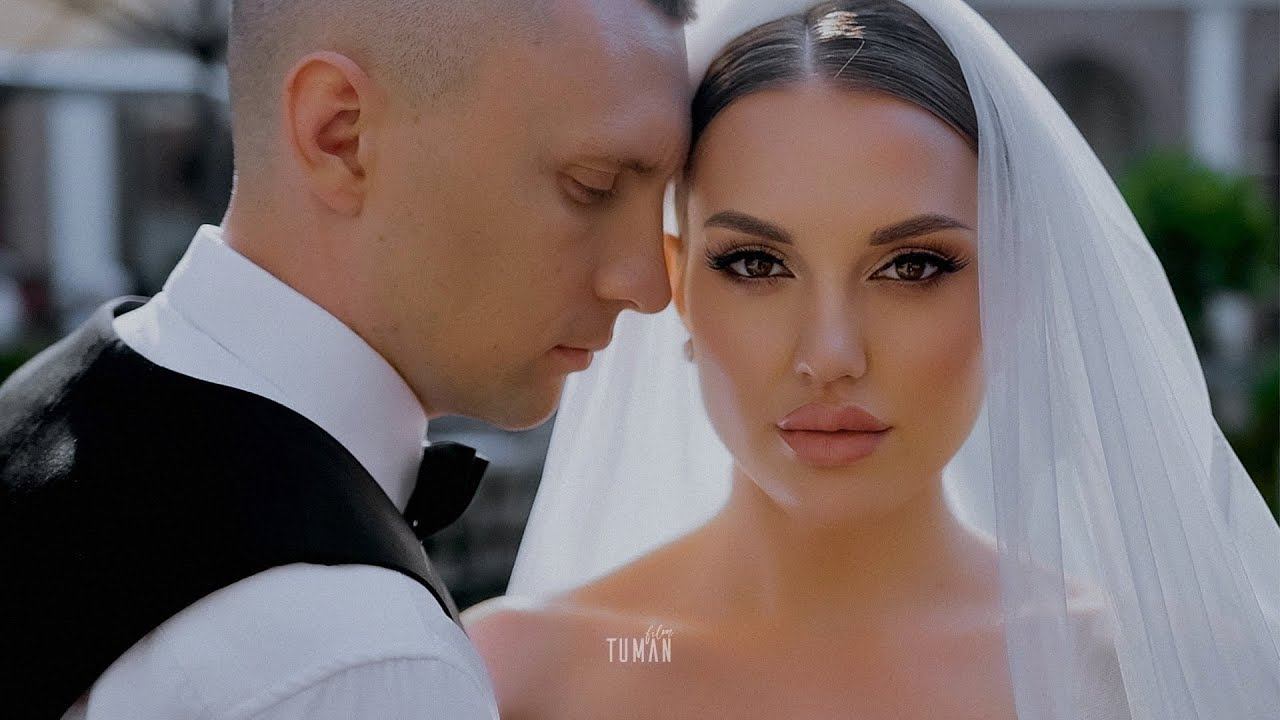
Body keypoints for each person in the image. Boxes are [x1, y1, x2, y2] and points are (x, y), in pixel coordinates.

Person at [466, 1, 1280, 718]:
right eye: (756, 263)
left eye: (911, 267)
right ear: (679, 287)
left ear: (1012, 286)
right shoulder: (512, 681)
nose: (830, 356)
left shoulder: (1158, 679)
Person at [0, 1, 693, 718]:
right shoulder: (363, 659)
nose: (649, 286)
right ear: (340, 135)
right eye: (592, 186)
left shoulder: (51, 405)